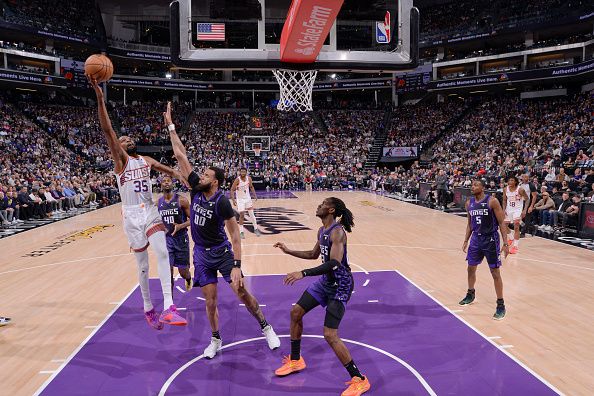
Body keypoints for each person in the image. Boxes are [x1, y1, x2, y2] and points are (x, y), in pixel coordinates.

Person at [165, 102, 280, 359]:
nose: (200, 176)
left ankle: (266, 326)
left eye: (205, 174)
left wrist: (237, 264)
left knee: (241, 292)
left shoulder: (222, 202)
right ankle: (215, 339)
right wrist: (171, 126)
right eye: (201, 174)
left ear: (214, 181)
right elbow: (181, 156)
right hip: (202, 255)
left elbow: (235, 235)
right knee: (210, 301)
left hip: (222, 252)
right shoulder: (196, 189)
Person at [89, 78, 186, 330]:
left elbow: (173, 172)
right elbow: (108, 130)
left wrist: (181, 176)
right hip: (131, 216)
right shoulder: (120, 162)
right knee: (142, 265)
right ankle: (147, 307)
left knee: (163, 252)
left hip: (150, 212)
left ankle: (169, 307)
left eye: (127, 137)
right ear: (118, 148)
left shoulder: (146, 160)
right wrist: (100, 99)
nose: (125, 138)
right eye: (122, 138)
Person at [273, 197, 371, 396]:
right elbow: (313, 254)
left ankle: (360, 379)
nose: (318, 205)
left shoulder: (337, 232)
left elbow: (334, 263)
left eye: (323, 203)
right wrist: (288, 250)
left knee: (329, 334)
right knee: (295, 312)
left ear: (331, 209)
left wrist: (303, 273)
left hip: (340, 285)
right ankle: (296, 360)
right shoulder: (321, 231)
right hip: (325, 282)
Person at [460, 179, 509, 320]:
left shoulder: (492, 201)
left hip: (491, 239)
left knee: (495, 272)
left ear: (483, 187)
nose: (472, 187)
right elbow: (470, 224)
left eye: (476, 185)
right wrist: (466, 240)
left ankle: (501, 305)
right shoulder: (469, 203)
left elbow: (501, 222)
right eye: (472, 185)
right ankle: (471, 293)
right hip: (476, 239)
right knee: (470, 268)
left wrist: (505, 243)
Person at [157, 175, 192, 292]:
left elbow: (193, 219)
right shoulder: (158, 203)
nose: (166, 183)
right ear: (161, 184)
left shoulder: (182, 200)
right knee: (168, 272)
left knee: (183, 272)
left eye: (168, 181)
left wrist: (180, 226)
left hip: (181, 239)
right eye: (164, 181)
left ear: (172, 184)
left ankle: (188, 278)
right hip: (166, 241)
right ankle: (169, 303)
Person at [230, 167, 261, 239]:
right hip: (240, 200)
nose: (243, 173)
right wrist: (233, 200)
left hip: (247, 198)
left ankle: (256, 229)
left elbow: (251, 187)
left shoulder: (249, 179)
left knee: (252, 214)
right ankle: (241, 232)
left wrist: (255, 195)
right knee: (242, 215)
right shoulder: (237, 180)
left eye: (244, 172)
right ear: (240, 172)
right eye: (241, 172)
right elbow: (232, 190)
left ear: (246, 172)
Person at [502, 176, 528, 254]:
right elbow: (504, 200)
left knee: (516, 226)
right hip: (509, 209)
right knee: (504, 225)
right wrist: (503, 210)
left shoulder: (520, 189)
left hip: (518, 209)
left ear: (515, 182)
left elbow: (527, 199)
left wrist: (524, 210)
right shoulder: (505, 189)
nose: (510, 181)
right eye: (509, 180)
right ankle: (511, 238)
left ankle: (515, 247)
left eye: (512, 180)